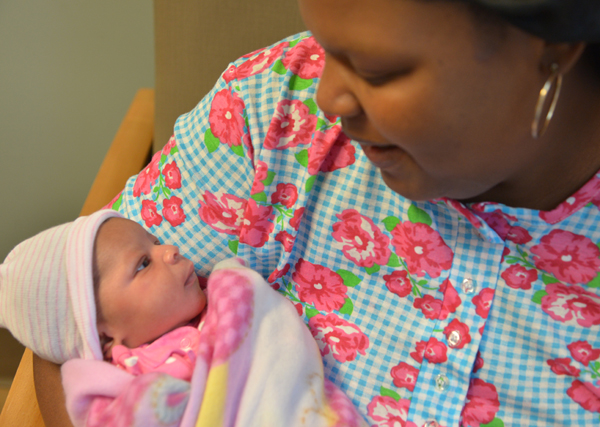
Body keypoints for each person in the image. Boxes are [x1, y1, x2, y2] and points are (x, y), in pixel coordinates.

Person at [33, 0, 600, 425]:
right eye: (328, 47)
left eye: (376, 70)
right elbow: (67, 324)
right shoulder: (275, 108)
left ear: (551, 46)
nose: (327, 96)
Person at [0, 210, 365, 426]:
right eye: (143, 263)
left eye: (155, 242)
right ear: (106, 338)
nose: (169, 251)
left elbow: (273, 345)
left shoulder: (227, 299)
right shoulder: (123, 385)